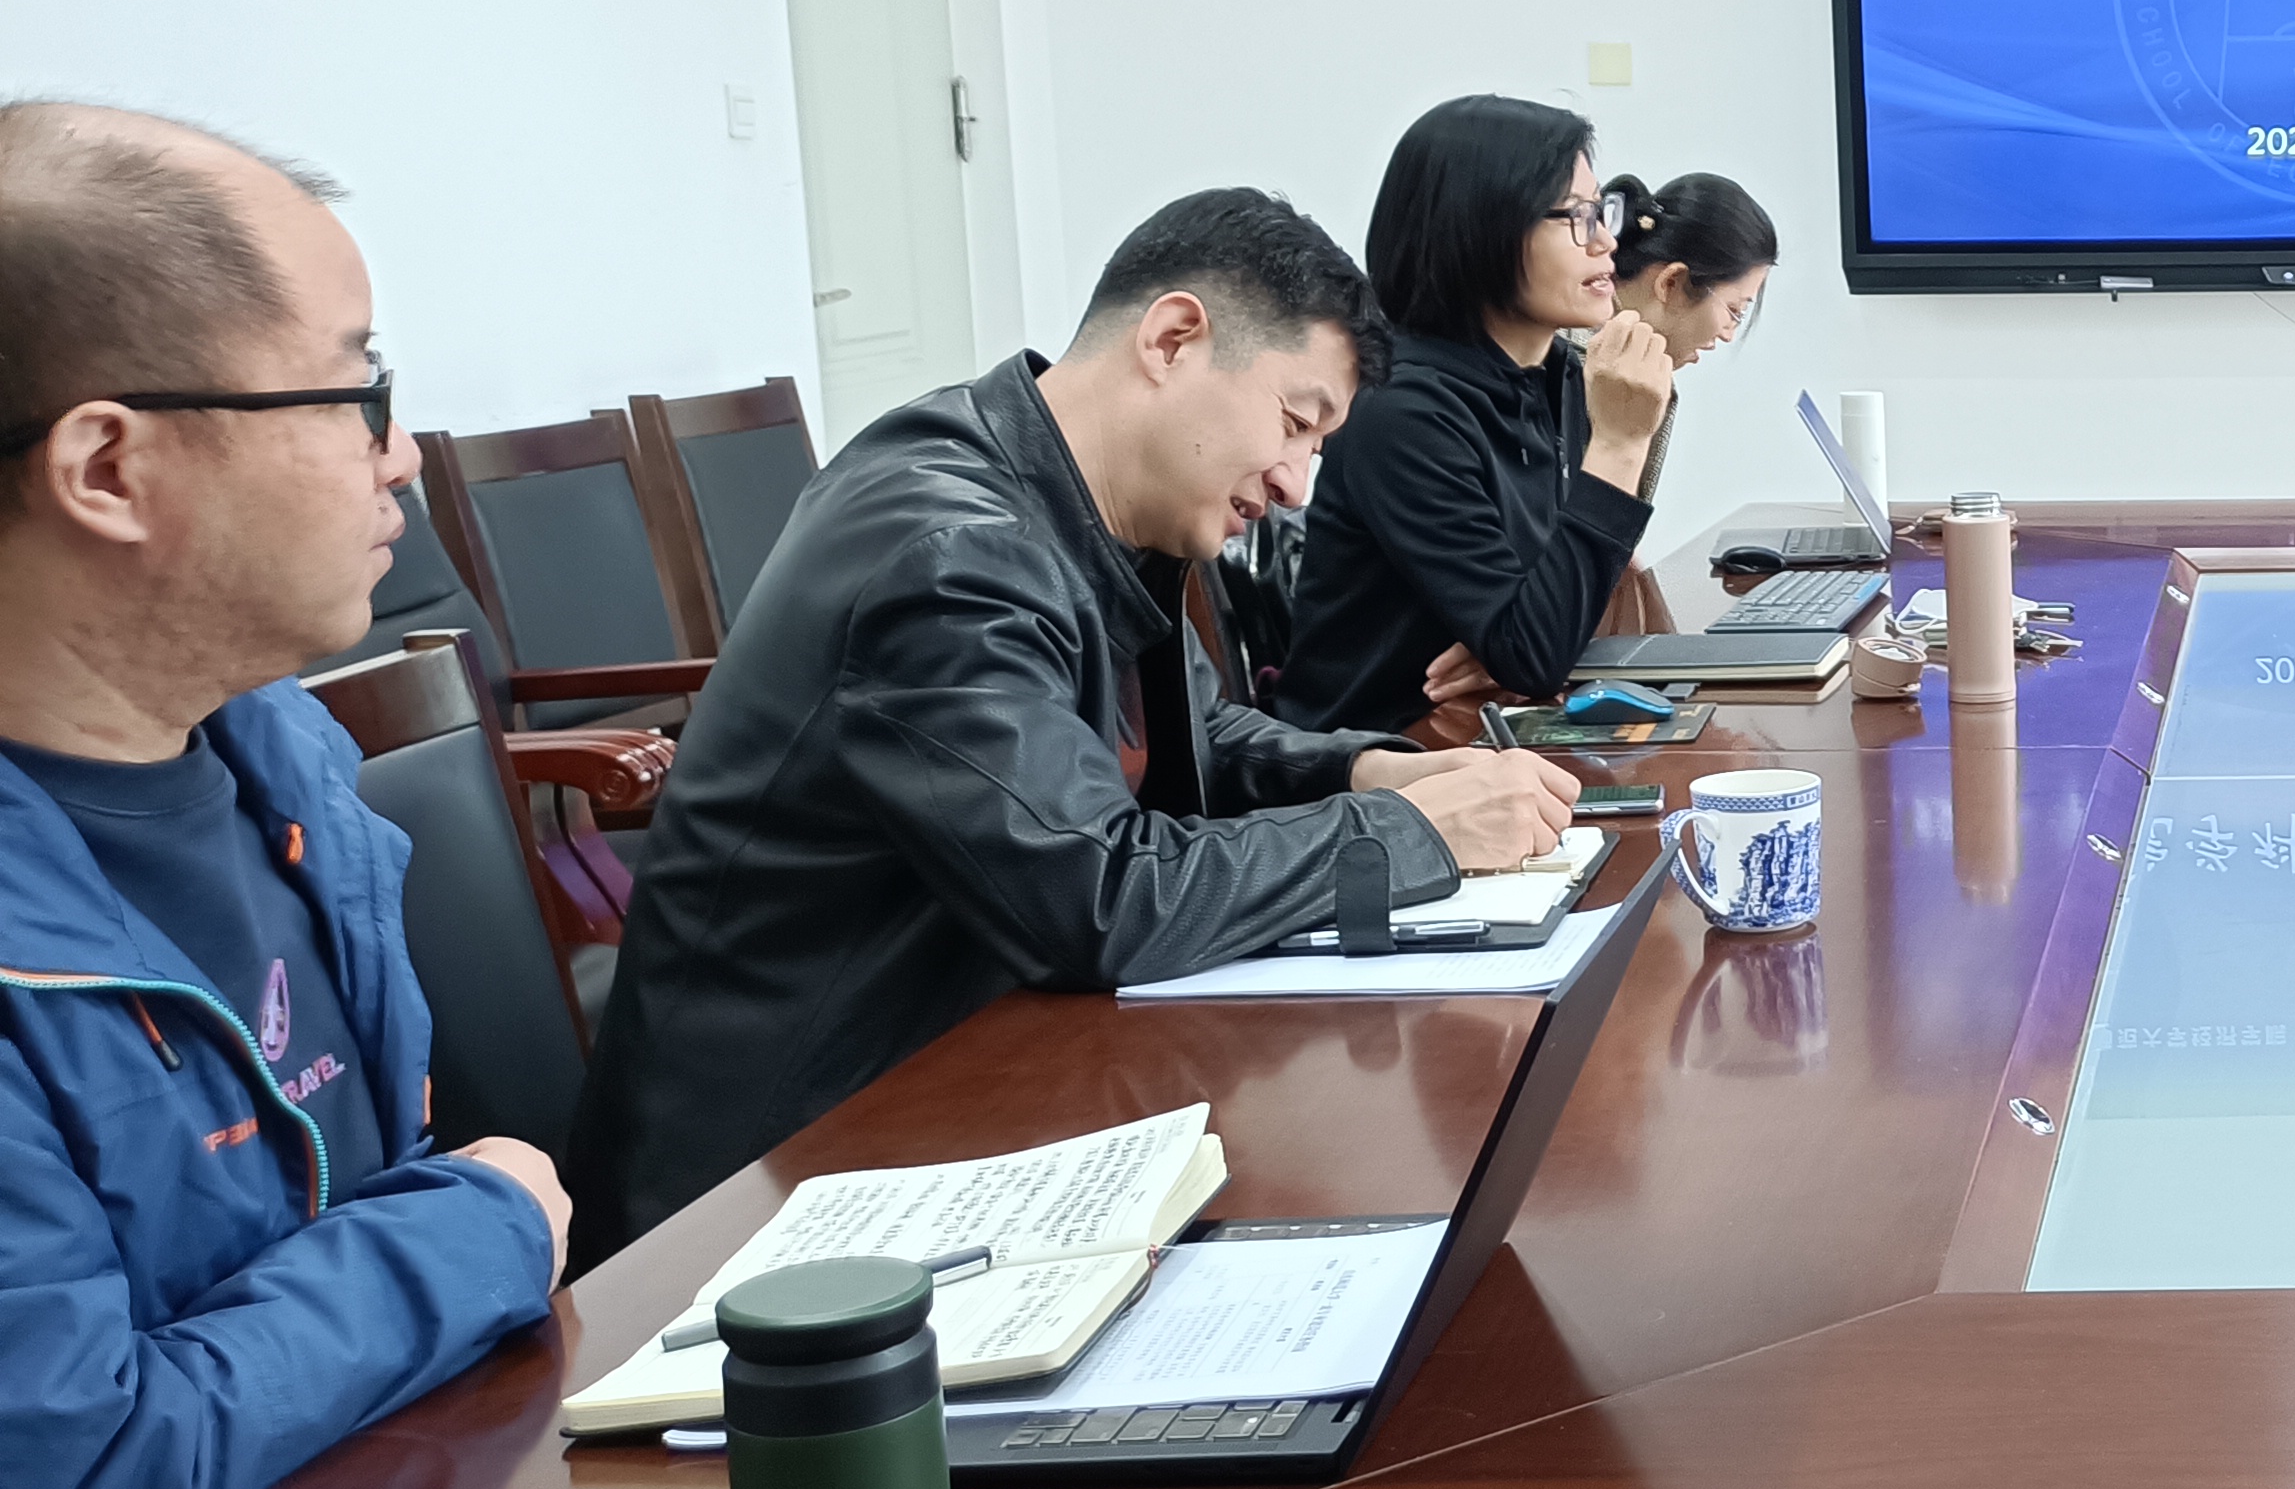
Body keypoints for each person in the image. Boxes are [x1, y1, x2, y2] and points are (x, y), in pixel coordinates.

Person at [566, 190, 1571, 1264]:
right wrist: (1412, 837)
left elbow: (1198, 738)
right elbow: (1101, 893)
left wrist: (1373, 773)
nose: (1295, 486)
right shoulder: (948, 552)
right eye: (1295, 422)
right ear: (1173, 339)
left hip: (948, 1082)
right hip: (762, 1189)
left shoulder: (1070, 502)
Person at [0, 102, 570, 1489]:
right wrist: (478, 1230)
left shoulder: (285, 761)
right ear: (108, 467)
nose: (403, 454)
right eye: (356, 390)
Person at [1279, 98, 1679, 738]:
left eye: (1600, 211)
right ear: (1483, 229)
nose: (1606, 241)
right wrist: (1622, 443)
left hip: (1498, 730)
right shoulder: (1401, 410)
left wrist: (1520, 636)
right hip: (1385, 756)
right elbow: (1537, 647)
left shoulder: (1561, 376)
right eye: (1576, 217)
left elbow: (1550, 621)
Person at [1588, 167, 1777, 508]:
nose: (1728, 334)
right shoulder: (1577, 370)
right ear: (1671, 282)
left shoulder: (1625, 364)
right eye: (1734, 310)